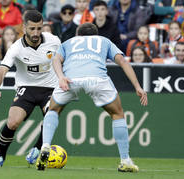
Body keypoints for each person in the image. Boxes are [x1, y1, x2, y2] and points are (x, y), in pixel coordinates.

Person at [35, 22, 148, 172]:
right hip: (97, 79)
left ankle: (45, 146)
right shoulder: (104, 41)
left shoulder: (68, 42)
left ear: (77, 35)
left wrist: (61, 77)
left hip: (70, 78)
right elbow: (122, 61)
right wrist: (138, 87)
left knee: (53, 110)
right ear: (96, 34)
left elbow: (55, 59)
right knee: (117, 114)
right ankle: (125, 160)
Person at [0, 10, 61, 167]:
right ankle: (0, 157)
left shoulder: (53, 41)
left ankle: (37, 148)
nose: (36, 33)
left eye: (39, 28)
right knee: (13, 122)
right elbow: (2, 70)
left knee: (50, 117)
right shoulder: (16, 48)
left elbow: (63, 58)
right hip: (26, 88)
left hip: (50, 88)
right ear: (24, 27)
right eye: (32, 28)